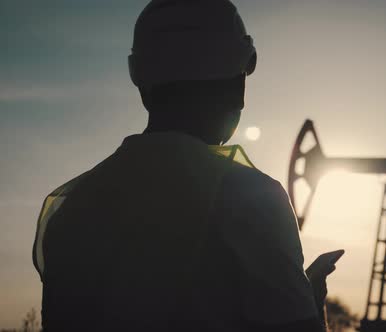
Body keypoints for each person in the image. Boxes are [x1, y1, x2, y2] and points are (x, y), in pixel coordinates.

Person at [32, 0, 338, 331]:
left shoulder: (70, 209)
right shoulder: (253, 199)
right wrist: (310, 302)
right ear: (237, 86)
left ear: (144, 87)